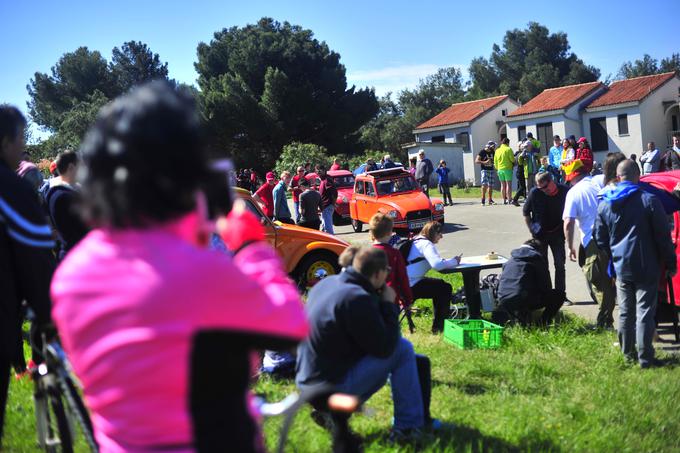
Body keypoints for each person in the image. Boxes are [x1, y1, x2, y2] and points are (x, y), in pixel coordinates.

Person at [50, 82, 308, 452]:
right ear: (181, 172)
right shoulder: (198, 271)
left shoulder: (70, 276)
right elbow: (290, 325)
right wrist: (251, 247)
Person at [296, 246, 439, 441]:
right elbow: (386, 346)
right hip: (329, 387)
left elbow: (360, 336)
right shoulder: (356, 298)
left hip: (308, 382)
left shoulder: (327, 284)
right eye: (387, 270)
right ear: (379, 273)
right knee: (402, 349)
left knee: (416, 361)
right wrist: (389, 304)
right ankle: (406, 429)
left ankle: (329, 412)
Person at [0, 105, 55, 444]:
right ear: (6, 140)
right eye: (21, 138)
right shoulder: (12, 190)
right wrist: (50, 316)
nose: (23, 147)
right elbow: (37, 264)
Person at [594, 160, 676, 368]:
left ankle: (628, 356)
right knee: (644, 312)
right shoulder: (649, 200)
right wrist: (670, 262)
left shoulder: (605, 203)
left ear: (618, 176)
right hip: (646, 265)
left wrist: (613, 257)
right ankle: (645, 359)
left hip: (621, 266)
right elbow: (662, 237)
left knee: (625, 312)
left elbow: (600, 238)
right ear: (637, 176)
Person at [562, 165, 616, 329]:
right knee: (614, 279)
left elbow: (568, 222)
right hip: (613, 236)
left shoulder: (573, 192)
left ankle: (605, 322)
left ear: (572, 178)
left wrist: (570, 246)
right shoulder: (599, 180)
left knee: (599, 282)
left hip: (593, 240)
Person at [492, 239, 563, 326]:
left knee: (521, 296)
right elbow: (546, 286)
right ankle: (543, 323)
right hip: (522, 299)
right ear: (538, 250)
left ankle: (521, 317)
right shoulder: (537, 260)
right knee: (559, 295)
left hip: (503, 299)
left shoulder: (510, 260)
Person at [406, 221, 462, 333]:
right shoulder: (426, 244)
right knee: (444, 289)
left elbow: (436, 261)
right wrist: (454, 261)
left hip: (404, 283)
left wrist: (448, 262)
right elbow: (438, 265)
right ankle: (439, 327)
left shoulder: (416, 240)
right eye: (440, 233)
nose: (441, 236)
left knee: (441, 285)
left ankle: (438, 325)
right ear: (433, 233)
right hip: (410, 285)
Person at [522, 172, 568, 303]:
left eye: (545, 187)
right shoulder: (535, 193)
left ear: (552, 182)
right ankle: (546, 295)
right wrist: (531, 229)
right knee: (542, 266)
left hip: (558, 234)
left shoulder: (565, 191)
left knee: (560, 265)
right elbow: (526, 212)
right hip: (540, 236)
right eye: (540, 188)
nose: (543, 191)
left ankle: (560, 296)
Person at [45, 150, 89, 259]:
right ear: (71, 168)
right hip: (76, 255)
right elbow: (78, 229)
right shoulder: (62, 196)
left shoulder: (64, 192)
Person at [369, 213, 413, 309]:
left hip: (370, 301)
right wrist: (408, 299)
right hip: (390, 300)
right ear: (389, 233)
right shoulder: (394, 253)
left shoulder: (364, 254)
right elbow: (402, 278)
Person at [494, 137, 514, 204]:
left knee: (502, 185)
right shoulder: (508, 149)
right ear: (507, 143)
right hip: (507, 169)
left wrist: (497, 168)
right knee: (508, 184)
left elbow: (495, 161)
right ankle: (509, 199)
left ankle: (504, 200)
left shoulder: (497, 150)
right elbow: (512, 159)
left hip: (500, 169)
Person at [476, 141, 496, 205]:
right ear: (489, 146)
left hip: (491, 170)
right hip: (484, 170)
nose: (494, 147)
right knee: (484, 185)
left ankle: (490, 199)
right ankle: (483, 199)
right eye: (493, 146)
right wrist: (484, 162)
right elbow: (476, 161)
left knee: (491, 185)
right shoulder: (482, 152)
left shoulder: (493, 152)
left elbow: (494, 160)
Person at [319, 166, 337, 234]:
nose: (319, 173)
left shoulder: (327, 180)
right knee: (324, 226)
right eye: (317, 172)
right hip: (324, 207)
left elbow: (334, 192)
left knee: (328, 228)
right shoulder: (323, 180)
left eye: (320, 171)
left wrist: (333, 203)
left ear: (324, 171)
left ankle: (332, 242)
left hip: (327, 206)